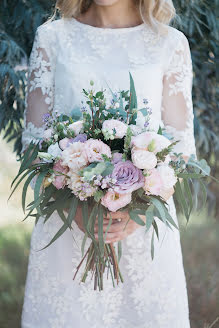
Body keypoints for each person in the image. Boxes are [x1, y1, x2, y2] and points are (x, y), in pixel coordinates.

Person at [21, 0, 196, 327]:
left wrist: (138, 212)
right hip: (66, 227)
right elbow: (34, 144)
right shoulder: (52, 38)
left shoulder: (169, 44)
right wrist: (75, 208)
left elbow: (181, 151)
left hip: (144, 233)